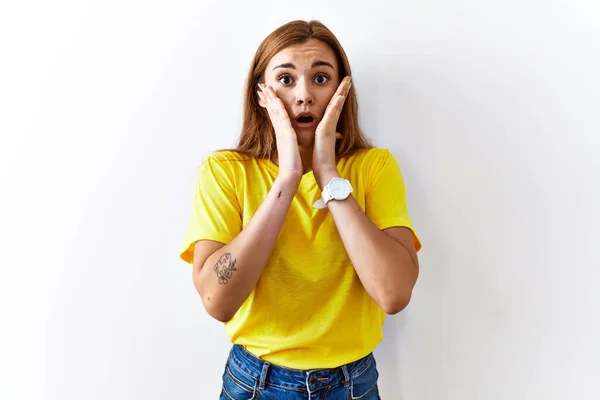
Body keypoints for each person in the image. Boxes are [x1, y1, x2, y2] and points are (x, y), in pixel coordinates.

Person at [180, 19, 422, 400]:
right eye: (287, 79)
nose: (305, 95)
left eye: (321, 78)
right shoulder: (226, 171)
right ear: (262, 92)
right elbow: (217, 301)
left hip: (353, 384)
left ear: (343, 88)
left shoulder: (373, 167)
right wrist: (288, 177)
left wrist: (327, 173)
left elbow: (393, 295)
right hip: (255, 382)